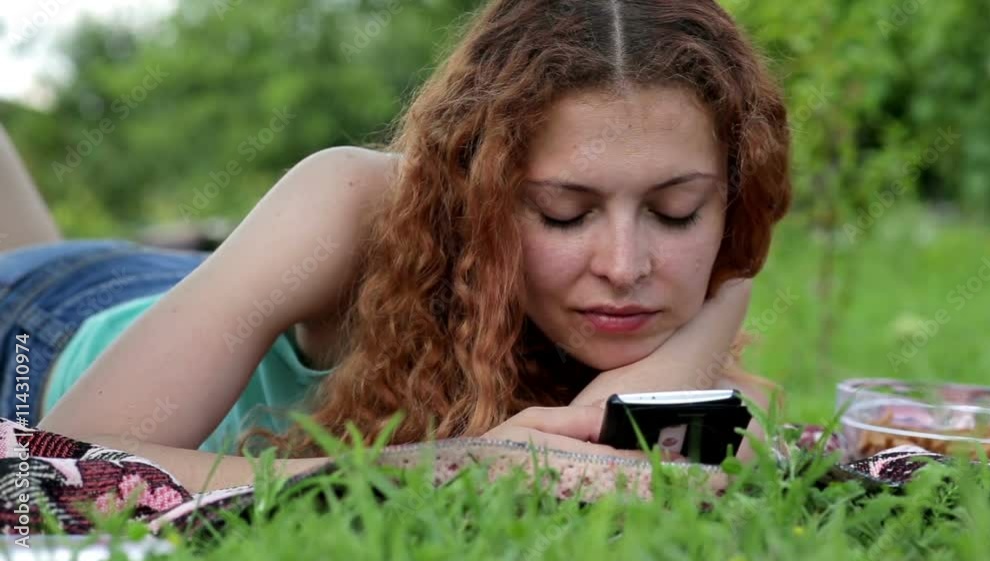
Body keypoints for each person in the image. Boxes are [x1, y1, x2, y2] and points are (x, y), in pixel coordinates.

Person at [2, 0, 790, 493]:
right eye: (561, 213)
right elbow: (51, 470)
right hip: (47, 323)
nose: (625, 265)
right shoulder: (350, 202)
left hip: (187, 291)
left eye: (678, 211)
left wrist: (725, 296)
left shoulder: (711, 264)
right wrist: (456, 466)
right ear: (478, 188)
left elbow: (604, 458)